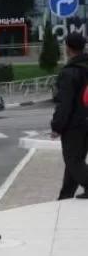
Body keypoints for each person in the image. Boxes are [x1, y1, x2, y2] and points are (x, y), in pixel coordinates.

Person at [50, 32, 88, 200]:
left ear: (68, 48)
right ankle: (65, 196)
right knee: (75, 160)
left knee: (72, 159)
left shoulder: (69, 72)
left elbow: (64, 104)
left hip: (75, 124)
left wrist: (57, 126)